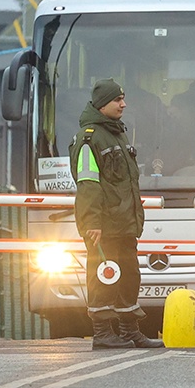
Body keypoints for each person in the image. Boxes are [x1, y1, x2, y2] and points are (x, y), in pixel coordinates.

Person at [70, 78, 162, 350]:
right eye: (117, 100)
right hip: (105, 226)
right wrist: (92, 223)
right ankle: (102, 333)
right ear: (101, 105)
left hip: (123, 225)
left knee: (129, 277)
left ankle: (128, 330)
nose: (124, 104)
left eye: (123, 98)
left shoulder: (116, 134)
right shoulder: (89, 139)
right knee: (103, 276)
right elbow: (88, 184)